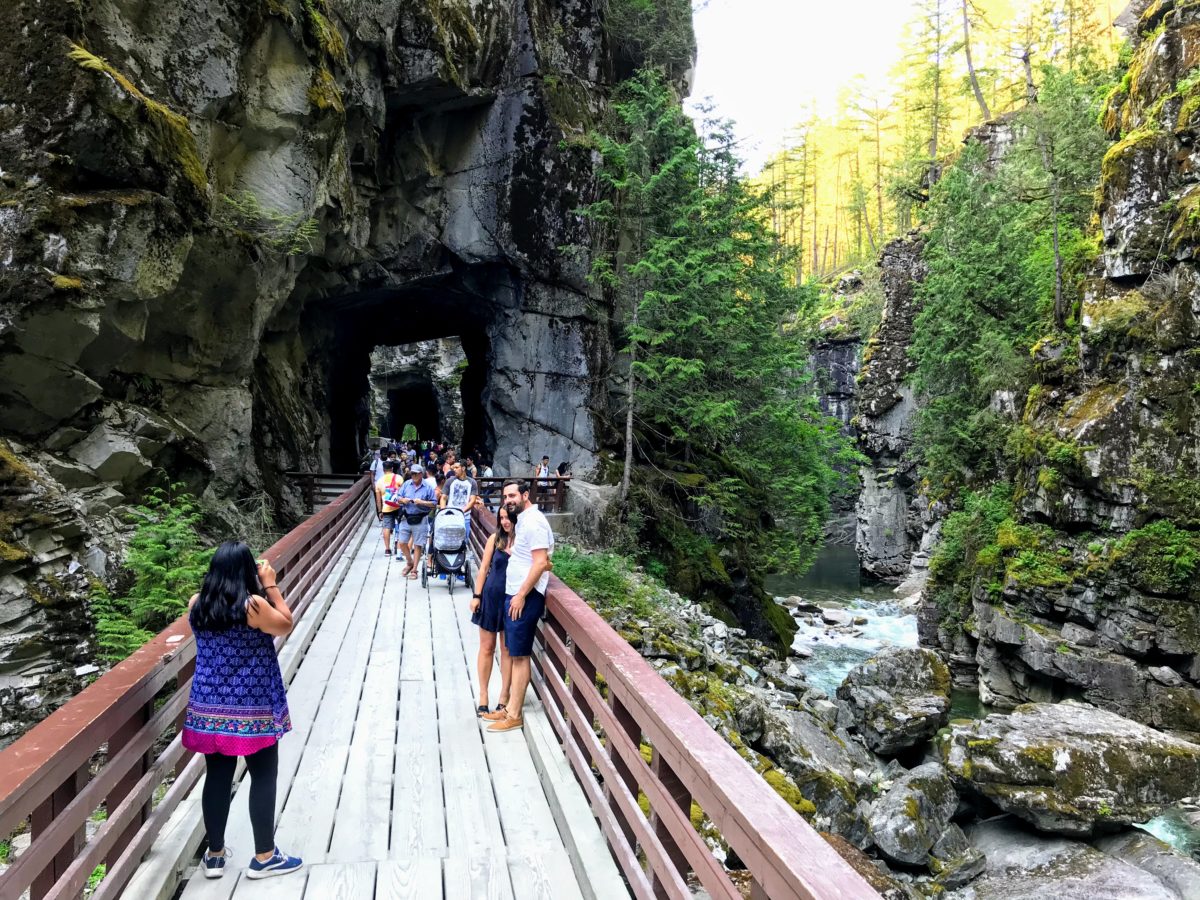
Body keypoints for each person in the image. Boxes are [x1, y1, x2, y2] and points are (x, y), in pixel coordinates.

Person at [183, 543, 303, 881]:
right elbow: (285, 624)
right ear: (247, 570)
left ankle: (215, 855)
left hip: (209, 705)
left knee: (217, 777)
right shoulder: (254, 605)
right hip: (252, 706)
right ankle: (264, 856)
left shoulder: (197, 603)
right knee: (263, 775)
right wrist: (270, 584)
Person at [483, 479, 554, 733]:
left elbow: (540, 562)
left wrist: (522, 594)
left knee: (521, 656)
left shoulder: (533, 522)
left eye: (513, 495)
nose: (508, 500)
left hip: (524, 597)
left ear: (525, 495)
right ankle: (508, 707)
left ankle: (514, 714)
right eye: (505, 496)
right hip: (514, 594)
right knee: (514, 652)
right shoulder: (523, 519)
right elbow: (534, 559)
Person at [470, 505, 515, 717]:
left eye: (509, 518)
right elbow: (483, 568)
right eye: (502, 518)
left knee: (506, 650)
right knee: (487, 648)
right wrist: (476, 596)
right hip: (490, 596)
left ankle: (504, 695)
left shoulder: (523, 543)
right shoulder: (494, 540)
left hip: (511, 600)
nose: (505, 522)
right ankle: (483, 694)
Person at [396, 464, 438, 578]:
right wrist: (402, 500)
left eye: (415, 473)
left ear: (421, 474)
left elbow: (434, 503)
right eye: (412, 473)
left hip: (421, 517)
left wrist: (422, 502)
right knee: (402, 542)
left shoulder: (428, 487)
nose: (413, 475)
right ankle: (409, 562)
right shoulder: (406, 484)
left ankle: (414, 569)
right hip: (406, 517)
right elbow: (397, 497)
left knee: (418, 544)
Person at [440, 461, 479, 550]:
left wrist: (462, 511)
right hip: (450, 514)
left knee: (464, 540)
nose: (454, 470)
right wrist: (443, 511)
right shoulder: (450, 481)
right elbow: (443, 498)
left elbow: (472, 500)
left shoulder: (472, 482)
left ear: (463, 468)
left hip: (464, 516)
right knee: (448, 538)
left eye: (457, 467)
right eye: (453, 468)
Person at [374, 460, 405, 556]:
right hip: (399, 506)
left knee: (386, 527)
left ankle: (387, 549)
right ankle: (401, 548)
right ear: (392, 468)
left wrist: (379, 511)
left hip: (387, 507)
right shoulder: (399, 478)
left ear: (383, 470)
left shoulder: (379, 481)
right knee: (401, 526)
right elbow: (404, 492)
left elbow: (378, 500)